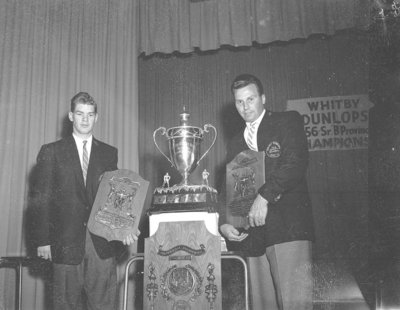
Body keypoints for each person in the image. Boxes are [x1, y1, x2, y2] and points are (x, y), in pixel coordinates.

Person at [32, 92, 139, 310]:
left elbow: (116, 198)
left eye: (89, 115)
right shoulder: (51, 151)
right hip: (64, 241)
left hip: (101, 242)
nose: (84, 119)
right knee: (65, 305)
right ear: (71, 116)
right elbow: (39, 200)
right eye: (80, 113)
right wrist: (42, 240)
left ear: (96, 117)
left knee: (104, 305)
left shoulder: (109, 153)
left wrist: (125, 227)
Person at [219, 74, 314, 310]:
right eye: (240, 102)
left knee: (295, 305)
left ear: (263, 98)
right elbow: (229, 186)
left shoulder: (287, 121)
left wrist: (264, 196)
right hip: (252, 237)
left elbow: (294, 163)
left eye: (250, 99)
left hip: (287, 229)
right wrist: (224, 222)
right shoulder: (234, 142)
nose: (245, 106)